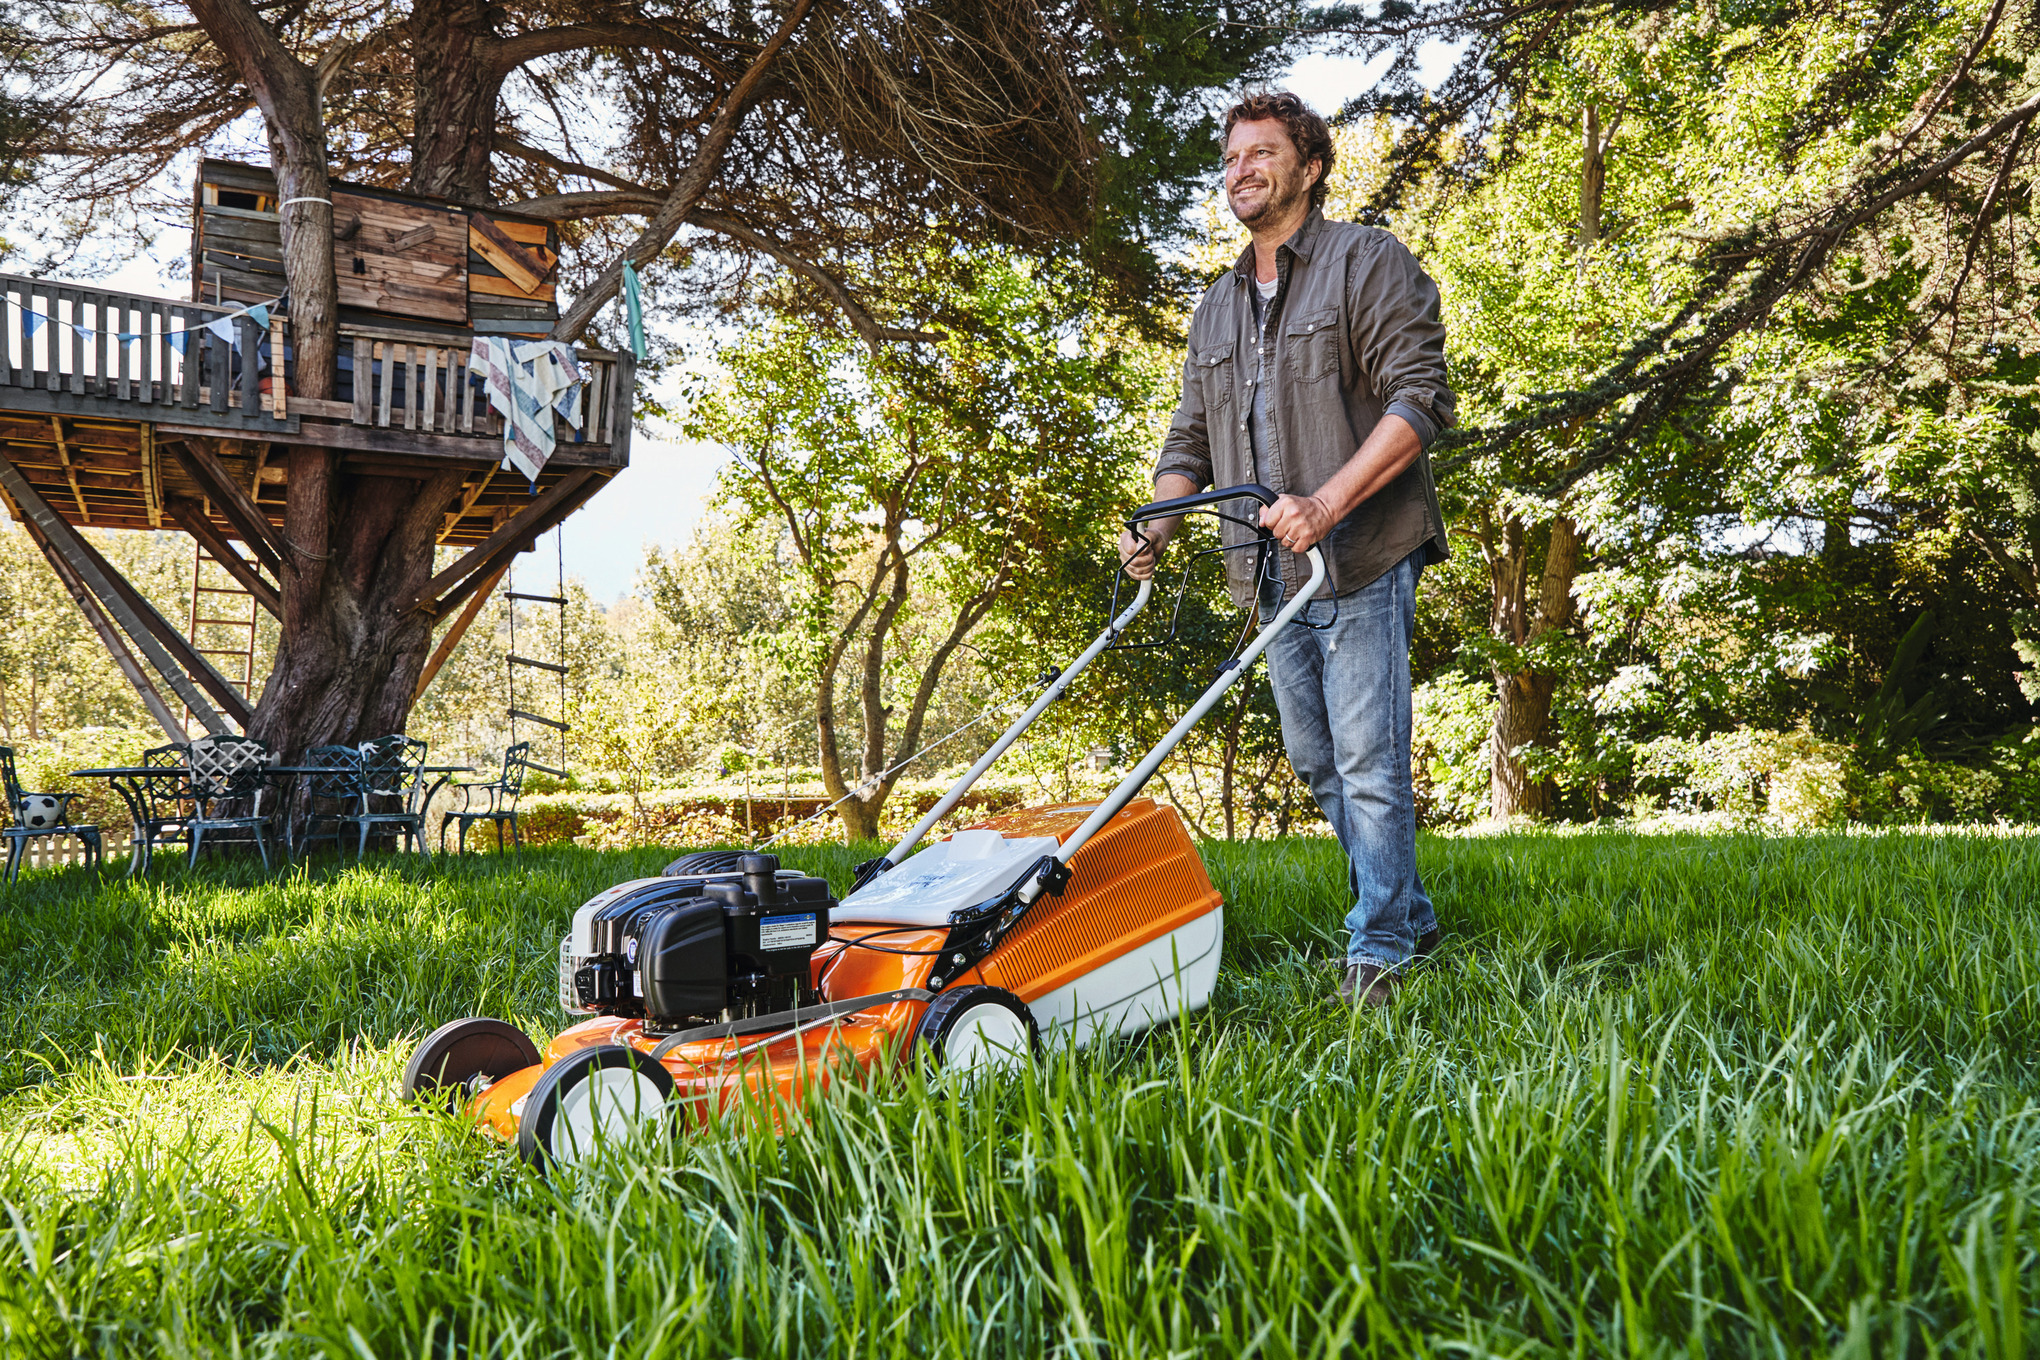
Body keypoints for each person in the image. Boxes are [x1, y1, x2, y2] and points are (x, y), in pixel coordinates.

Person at [1117, 91, 1455, 1007]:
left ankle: (1379, 949)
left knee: (1370, 765)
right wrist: (1158, 522)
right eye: (1232, 159)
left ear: (1309, 167)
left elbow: (1420, 399)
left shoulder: (1365, 261)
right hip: (1269, 574)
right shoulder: (1217, 307)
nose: (1242, 171)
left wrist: (1326, 503)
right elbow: (1189, 441)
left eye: (1262, 154)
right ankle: (1409, 912)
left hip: (1360, 556)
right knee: (1318, 763)